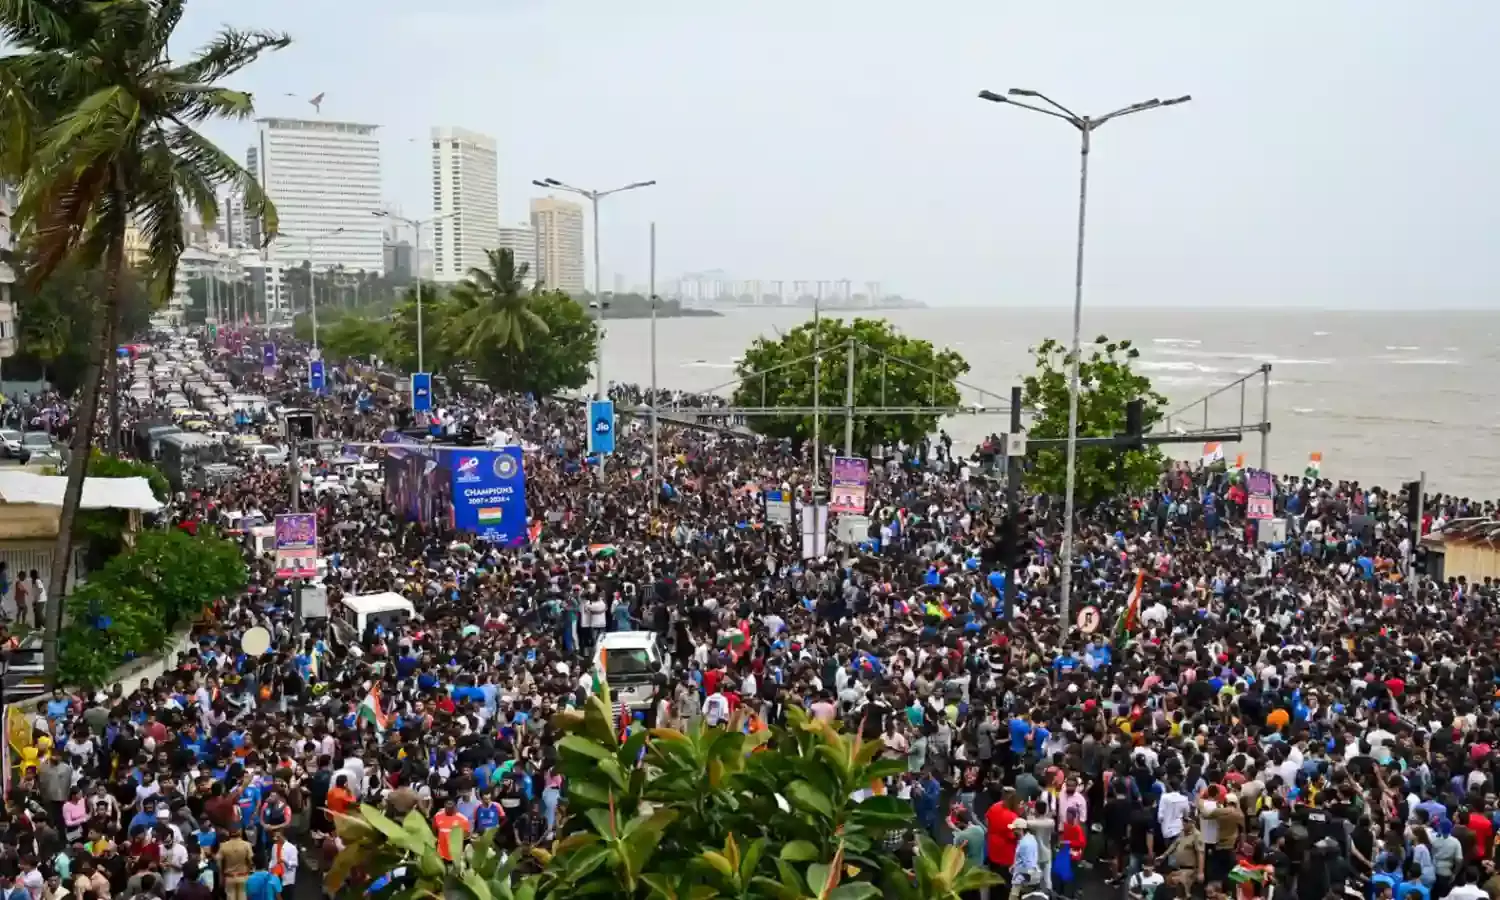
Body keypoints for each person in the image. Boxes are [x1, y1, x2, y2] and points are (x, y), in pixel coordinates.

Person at [219, 827, 254, 900]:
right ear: (240, 832)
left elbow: (219, 863)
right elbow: (251, 861)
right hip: (243, 877)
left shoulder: (223, 846)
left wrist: (222, 875)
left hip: (229, 877)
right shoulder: (247, 845)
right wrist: (249, 870)